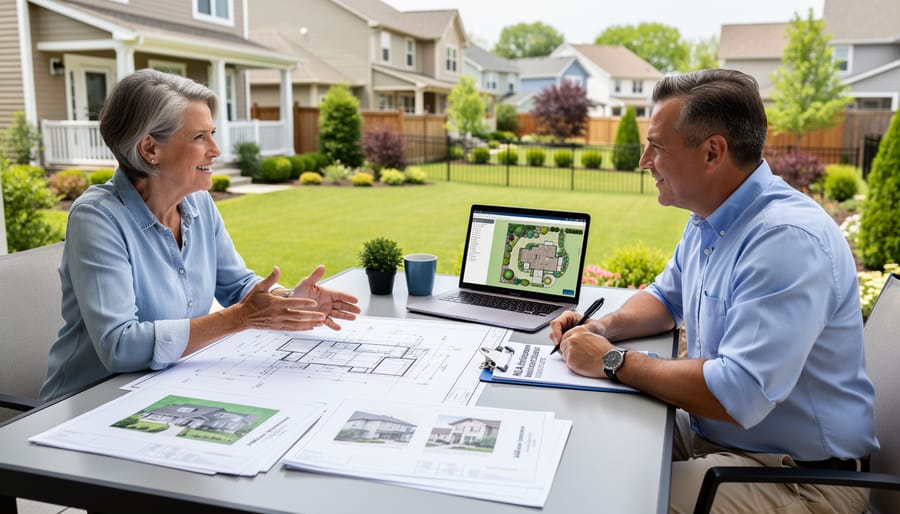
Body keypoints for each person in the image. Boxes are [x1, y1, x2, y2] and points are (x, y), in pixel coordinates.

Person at [550, 69, 878, 513]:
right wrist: (601, 328)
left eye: (658, 146)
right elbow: (665, 298)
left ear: (712, 152)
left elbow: (738, 390)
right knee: (583, 444)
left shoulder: (784, 240)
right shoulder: (712, 218)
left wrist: (612, 360)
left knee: (610, 496)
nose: (644, 160)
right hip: (722, 440)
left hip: (801, 479)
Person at [40, 69, 361, 402]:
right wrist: (240, 318)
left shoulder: (198, 202)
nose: (216, 150)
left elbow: (238, 284)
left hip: (164, 388)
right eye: (199, 137)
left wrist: (291, 301)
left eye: (212, 133)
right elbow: (119, 345)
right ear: (150, 148)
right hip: (85, 403)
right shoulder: (98, 218)